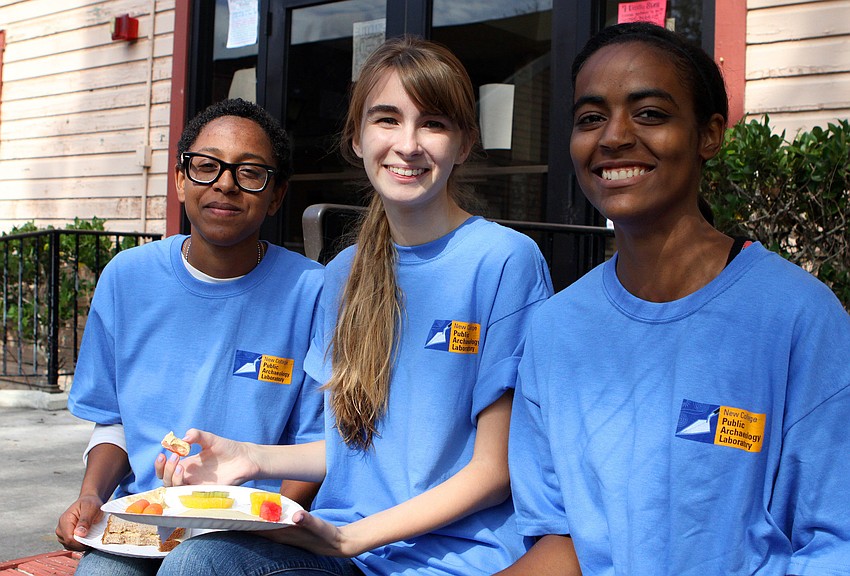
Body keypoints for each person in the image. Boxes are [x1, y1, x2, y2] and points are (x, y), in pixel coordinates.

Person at [154, 36, 554, 575]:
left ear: (463, 144)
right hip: (350, 554)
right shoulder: (343, 274)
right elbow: (355, 451)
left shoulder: (505, 260)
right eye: (387, 119)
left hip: (452, 561)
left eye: (433, 123)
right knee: (201, 560)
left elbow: (495, 468)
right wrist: (250, 458)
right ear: (357, 138)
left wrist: (348, 538)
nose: (408, 144)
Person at [503, 22, 850, 575]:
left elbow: (833, 544)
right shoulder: (555, 328)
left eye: (650, 114)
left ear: (709, 135)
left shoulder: (799, 317)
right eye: (590, 118)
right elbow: (560, 543)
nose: (613, 137)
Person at [56, 98, 325, 575]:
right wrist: (92, 496)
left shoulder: (313, 291)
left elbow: (317, 444)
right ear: (180, 179)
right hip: (148, 520)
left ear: (277, 194)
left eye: (250, 172)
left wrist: (271, 522)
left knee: (197, 565)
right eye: (206, 166)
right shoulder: (127, 278)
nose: (224, 183)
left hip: (256, 529)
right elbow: (114, 421)